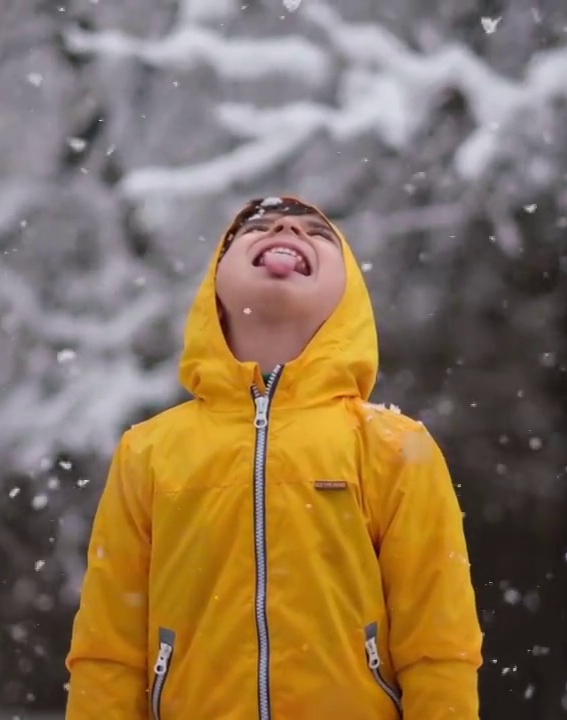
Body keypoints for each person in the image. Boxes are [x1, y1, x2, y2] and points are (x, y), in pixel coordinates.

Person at [64, 196, 482, 719]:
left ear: (348, 297)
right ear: (214, 288)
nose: (285, 227)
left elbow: (439, 641)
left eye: (319, 233)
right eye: (257, 227)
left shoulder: (395, 447)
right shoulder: (148, 451)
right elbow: (108, 648)